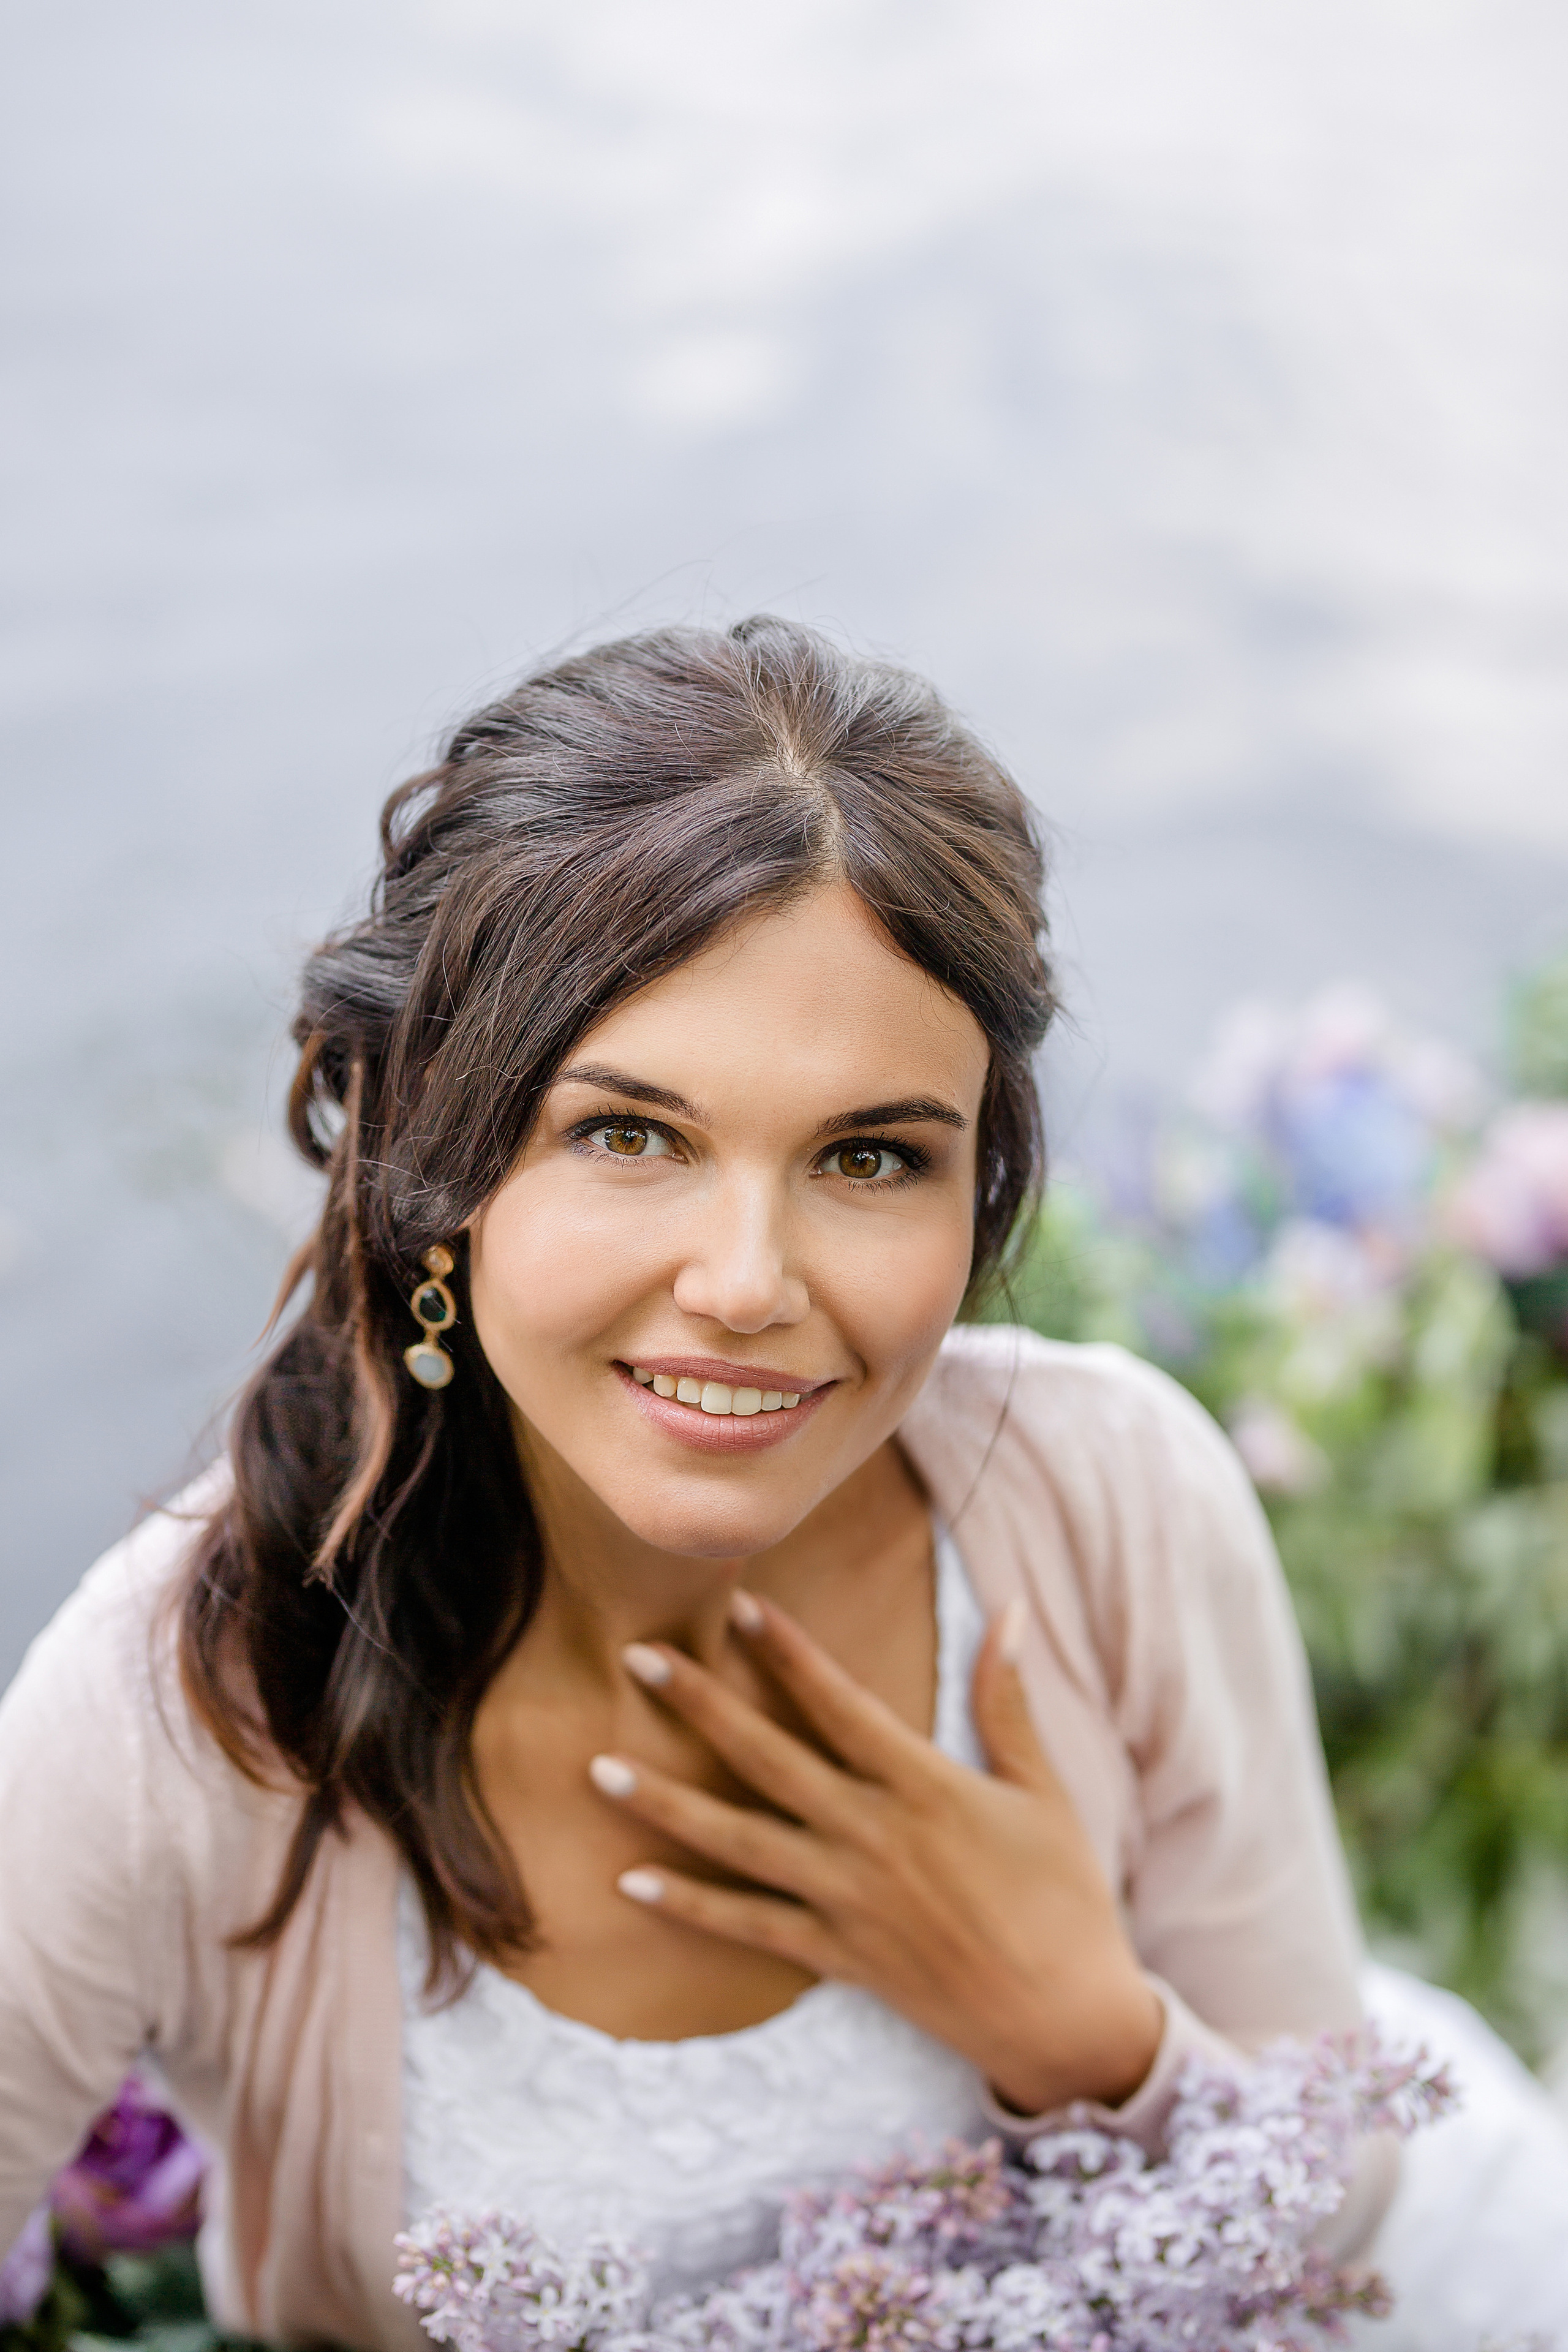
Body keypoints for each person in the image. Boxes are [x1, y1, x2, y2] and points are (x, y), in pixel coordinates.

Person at [1, 619, 1564, 2352]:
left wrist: (1083, 2028)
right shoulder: (172, 1711)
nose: (748, 1283)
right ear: (437, 1158)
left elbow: (1343, 2212)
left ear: (981, 1190)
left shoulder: (1113, 1496)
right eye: (629, 1134)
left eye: (871, 1156)